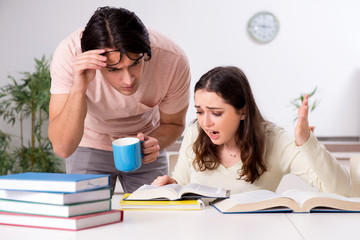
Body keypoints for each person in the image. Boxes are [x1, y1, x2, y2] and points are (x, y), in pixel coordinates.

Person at [48, 6, 190, 193]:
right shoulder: (69, 56)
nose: (128, 80)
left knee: (155, 214)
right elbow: (63, 147)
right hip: (89, 141)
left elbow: (174, 123)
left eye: (135, 63)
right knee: (88, 216)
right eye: (114, 69)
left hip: (144, 147)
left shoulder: (172, 59)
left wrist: (152, 143)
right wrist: (79, 85)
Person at [152, 66, 351, 196]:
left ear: (243, 111)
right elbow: (184, 183)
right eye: (199, 112)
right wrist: (172, 184)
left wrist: (306, 141)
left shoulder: (275, 140)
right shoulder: (196, 132)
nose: (206, 122)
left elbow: (341, 191)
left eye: (216, 113)